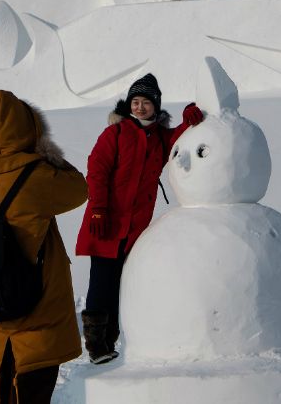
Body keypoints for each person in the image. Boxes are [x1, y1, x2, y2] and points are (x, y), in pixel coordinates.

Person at [0, 90, 88, 404]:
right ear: (26, 127)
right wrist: (46, 153)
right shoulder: (37, 175)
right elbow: (79, 189)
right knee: (30, 388)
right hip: (36, 312)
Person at [73, 73, 203, 363]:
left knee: (122, 283)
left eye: (146, 102)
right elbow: (97, 171)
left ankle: (111, 341)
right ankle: (97, 345)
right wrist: (98, 208)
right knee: (102, 281)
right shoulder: (116, 134)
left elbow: (178, 137)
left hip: (134, 228)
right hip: (106, 221)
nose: (140, 107)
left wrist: (189, 118)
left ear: (156, 106)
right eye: (135, 102)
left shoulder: (158, 137)